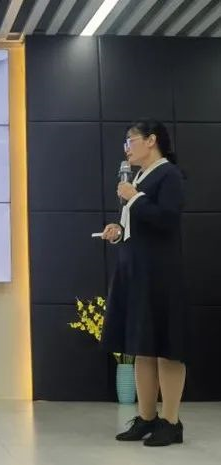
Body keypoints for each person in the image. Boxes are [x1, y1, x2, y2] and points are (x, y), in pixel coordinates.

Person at [99, 119, 188, 447]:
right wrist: (118, 231)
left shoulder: (169, 175)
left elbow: (167, 219)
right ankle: (147, 417)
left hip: (160, 274)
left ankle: (171, 422)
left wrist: (134, 198)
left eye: (131, 141)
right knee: (142, 346)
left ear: (151, 140)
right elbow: (140, 224)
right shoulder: (136, 178)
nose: (126, 149)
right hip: (135, 270)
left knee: (166, 348)